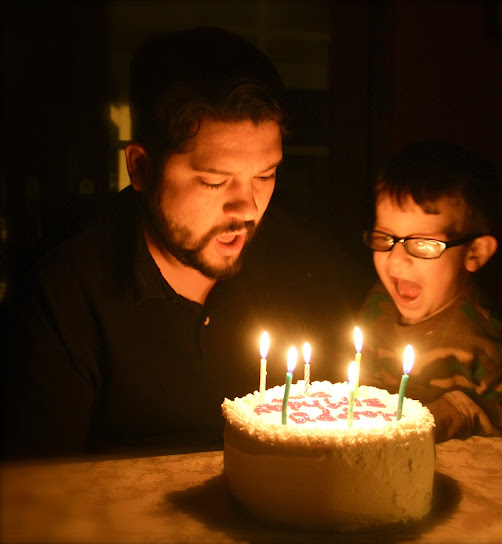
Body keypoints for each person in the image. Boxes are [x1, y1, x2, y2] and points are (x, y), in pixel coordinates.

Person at [1, 27, 366, 458]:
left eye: (265, 175)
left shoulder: (305, 259)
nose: (247, 208)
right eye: (214, 181)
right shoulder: (64, 294)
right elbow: (34, 495)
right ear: (140, 167)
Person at [358, 141, 502, 443]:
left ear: (474, 253)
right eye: (385, 237)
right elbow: (363, 380)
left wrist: (460, 412)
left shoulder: (478, 337)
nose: (397, 259)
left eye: (424, 243)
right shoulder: (379, 305)